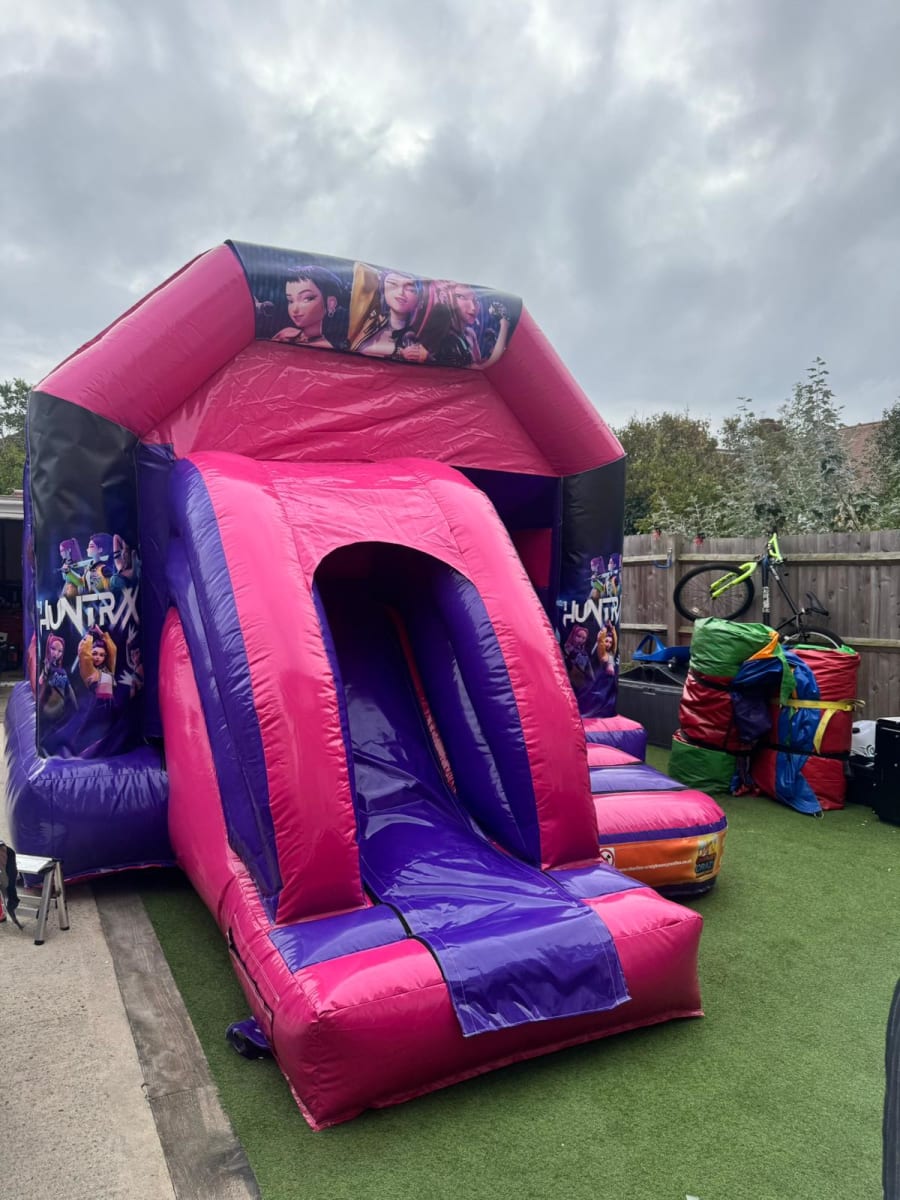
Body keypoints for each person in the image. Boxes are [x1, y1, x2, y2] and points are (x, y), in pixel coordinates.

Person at [348, 265, 430, 362]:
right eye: (393, 284)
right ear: (383, 289)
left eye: (410, 289)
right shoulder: (369, 322)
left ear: (420, 300)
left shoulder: (418, 337)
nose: (401, 292)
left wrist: (426, 356)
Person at [271, 265, 347, 349]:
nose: (295, 309)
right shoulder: (285, 333)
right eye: (290, 301)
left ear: (331, 303)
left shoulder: (324, 347)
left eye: (307, 299)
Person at [447, 284, 512, 369]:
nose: (473, 308)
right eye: (462, 297)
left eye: (476, 300)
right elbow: (481, 367)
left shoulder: (470, 333)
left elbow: (478, 364)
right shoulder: (448, 338)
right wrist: (504, 325)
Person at [38, 633, 76, 721]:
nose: (56, 653)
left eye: (60, 651)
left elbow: (69, 691)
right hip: (46, 708)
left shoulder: (61, 671)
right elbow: (40, 682)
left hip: (57, 710)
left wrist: (76, 709)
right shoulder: (44, 665)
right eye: (53, 649)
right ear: (48, 648)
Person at [78, 626, 117, 700]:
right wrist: (89, 634)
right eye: (94, 654)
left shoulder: (108, 669)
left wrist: (100, 632)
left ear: (105, 656)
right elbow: (83, 653)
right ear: (90, 653)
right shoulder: (89, 671)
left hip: (112, 704)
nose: (98, 657)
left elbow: (112, 650)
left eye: (101, 655)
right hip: (97, 704)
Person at [563, 625, 594, 690]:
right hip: (564, 681)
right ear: (573, 635)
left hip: (578, 683)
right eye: (578, 636)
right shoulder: (565, 649)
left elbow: (589, 671)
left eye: (583, 638)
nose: (580, 640)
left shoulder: (584, 654)